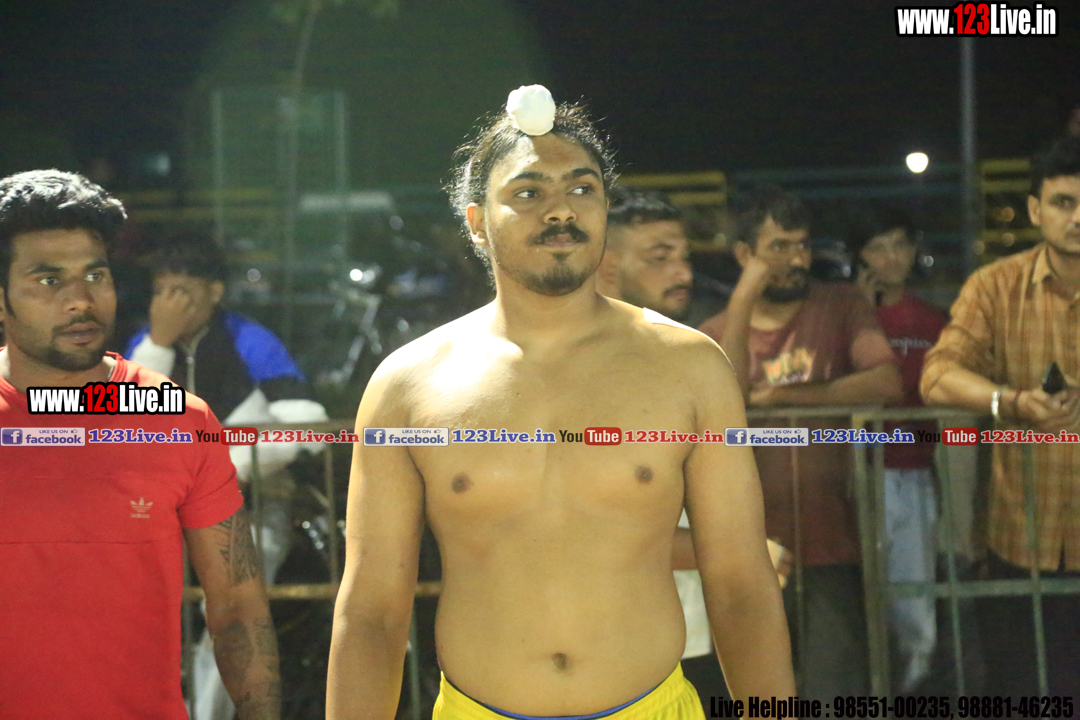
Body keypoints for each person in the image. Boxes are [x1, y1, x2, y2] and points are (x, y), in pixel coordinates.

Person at [327, 86, 795, 719]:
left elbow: (741, 587)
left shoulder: (689, 367)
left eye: (582, 188)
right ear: (476, 223)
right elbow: (371, 613)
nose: (561, 211)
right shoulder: (408, 385)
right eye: (528, 193)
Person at [0, 169, 280, 719]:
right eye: (49, 280)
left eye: (95, 275)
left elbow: (238, 607)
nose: (81, 301)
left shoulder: (178, 419)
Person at [698, 185, 903, 699]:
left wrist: (783, 396)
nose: (797, 260)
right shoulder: (715, 330)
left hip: (830, 536)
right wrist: (744, 296)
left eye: (803, 246)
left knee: (835, 686)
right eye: (779, 248)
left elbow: (885, 381)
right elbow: (730, 396)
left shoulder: (840, 304)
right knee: (759, 696)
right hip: (747, 547)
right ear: (744, 254)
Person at [596, 184, 791, 707]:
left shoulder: (682, 355)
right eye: (660, 258)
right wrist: (740, 552)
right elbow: (597, 528)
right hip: (621, 638)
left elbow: (732, 396)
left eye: (683, 256)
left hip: (700, 625)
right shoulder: (584, 374)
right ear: (606, 264)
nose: (683, 272)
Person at [124, 236, 327, 720]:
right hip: (159, 512)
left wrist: (229, 470)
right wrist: (158, 345)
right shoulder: (142, 347)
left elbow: (309, 425)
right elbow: (123, 427)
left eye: (182, 292)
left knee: (234, 609)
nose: (169, 305)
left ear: (214, 292)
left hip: (252, 503)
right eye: (161, 292)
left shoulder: (250, 341)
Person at [921, 135, 1080, 697]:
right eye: (1063, 202)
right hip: (1021, 539)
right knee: (1023, 690)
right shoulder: (995, 286)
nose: (1078, 218)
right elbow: (937, 376)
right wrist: (1009, 402)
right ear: (1035, 210)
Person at [848, 207, 948, 691]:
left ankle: (914, 686)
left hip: (913, 469)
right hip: (856, 472)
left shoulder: (932, 319)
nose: (891, 257)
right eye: (878, 247)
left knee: (914, 589)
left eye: (900, 245)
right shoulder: (848, 314)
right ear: (860, 257)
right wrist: (860, 311)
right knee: (859, 590)